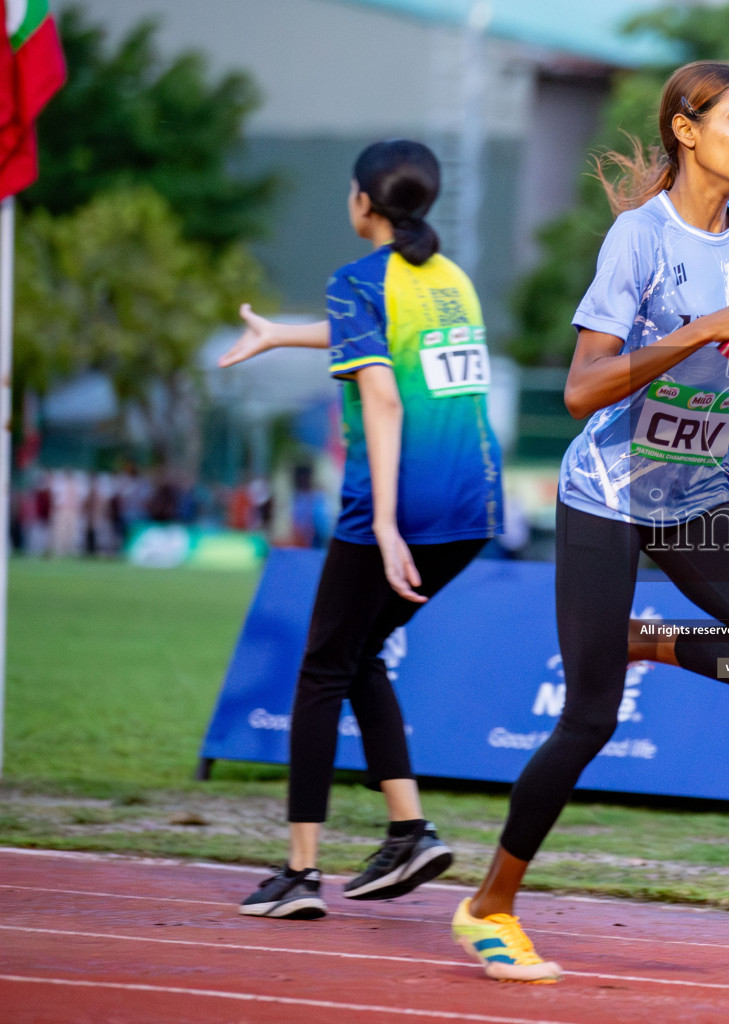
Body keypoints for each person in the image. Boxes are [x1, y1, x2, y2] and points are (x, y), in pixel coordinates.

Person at [452, 61, 729, 985]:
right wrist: (698, 329)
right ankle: (489, 906)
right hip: (608, 497)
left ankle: (647, 641)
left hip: (696, 495)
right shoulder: (637, 241)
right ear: (686, 129)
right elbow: (583, 390)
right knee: (587, 718)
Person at [216, 140, 503, 920]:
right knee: (359, 651)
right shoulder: (451, 280)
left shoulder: (356, 279)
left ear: (362, 205)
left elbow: (381, 397)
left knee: (320, 669)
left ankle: (300, 873)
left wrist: (381, 523)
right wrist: (281, 332)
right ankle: (409, 830)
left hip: (397, 509)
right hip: (473, 507)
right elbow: (373, 334)